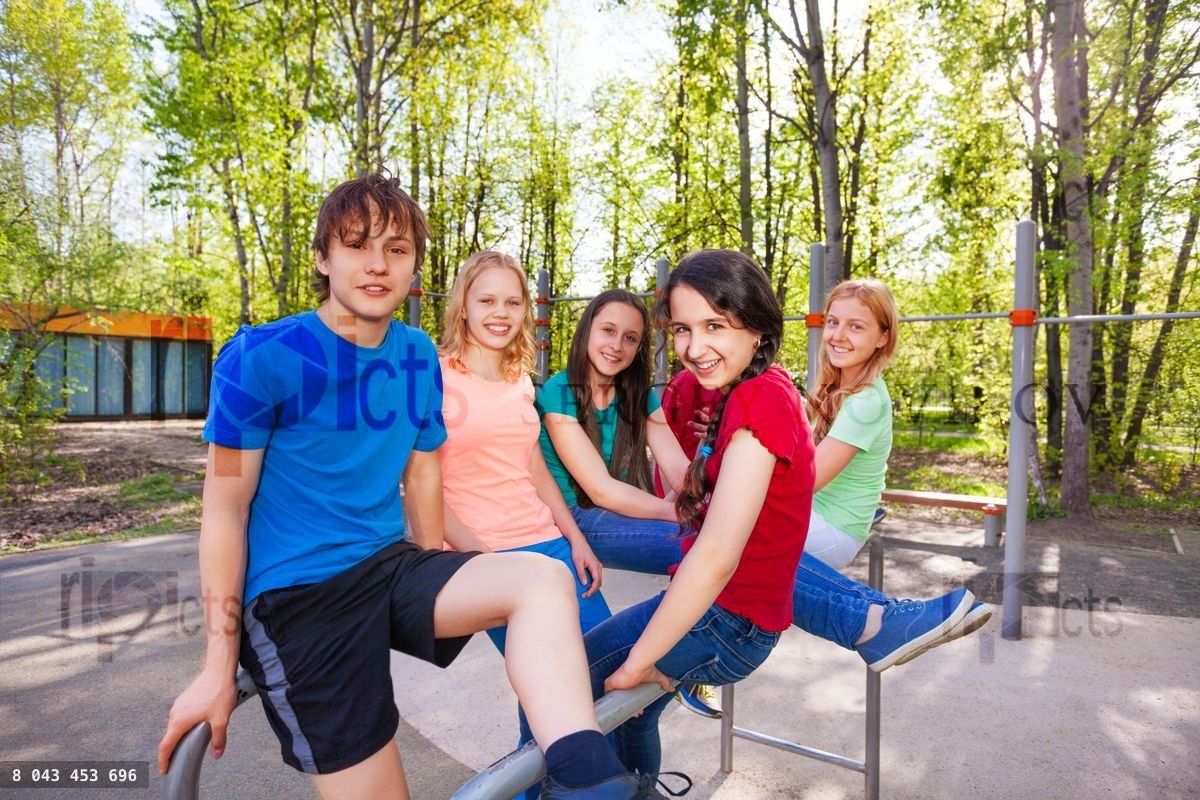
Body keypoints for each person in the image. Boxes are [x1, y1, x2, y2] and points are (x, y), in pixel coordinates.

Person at [156, 175, 667, 800]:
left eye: (396, 249)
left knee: (541, 577)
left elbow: (426, 470)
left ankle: (581, 771)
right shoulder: (258, 359)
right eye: (356, 245)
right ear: (323, 257)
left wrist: (445, 576)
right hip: (298, 599)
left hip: (390, 567)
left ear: (415, 266)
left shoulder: (415, 355)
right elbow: (223, 512)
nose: (377, 265)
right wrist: (216, 662)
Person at [572, 249, 976, 777]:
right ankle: (872, 620)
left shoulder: (770, 401)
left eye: (714, 325)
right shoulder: (763, 387)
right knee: (634, 712)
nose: (694, 347)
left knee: (563, 677)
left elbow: (720, 553)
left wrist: (644, 657)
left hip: (729, 616)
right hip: (736, 610)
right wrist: (662, 429)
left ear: (758, 328)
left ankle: (869, 619)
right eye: (682, 330)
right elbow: (697, 494)